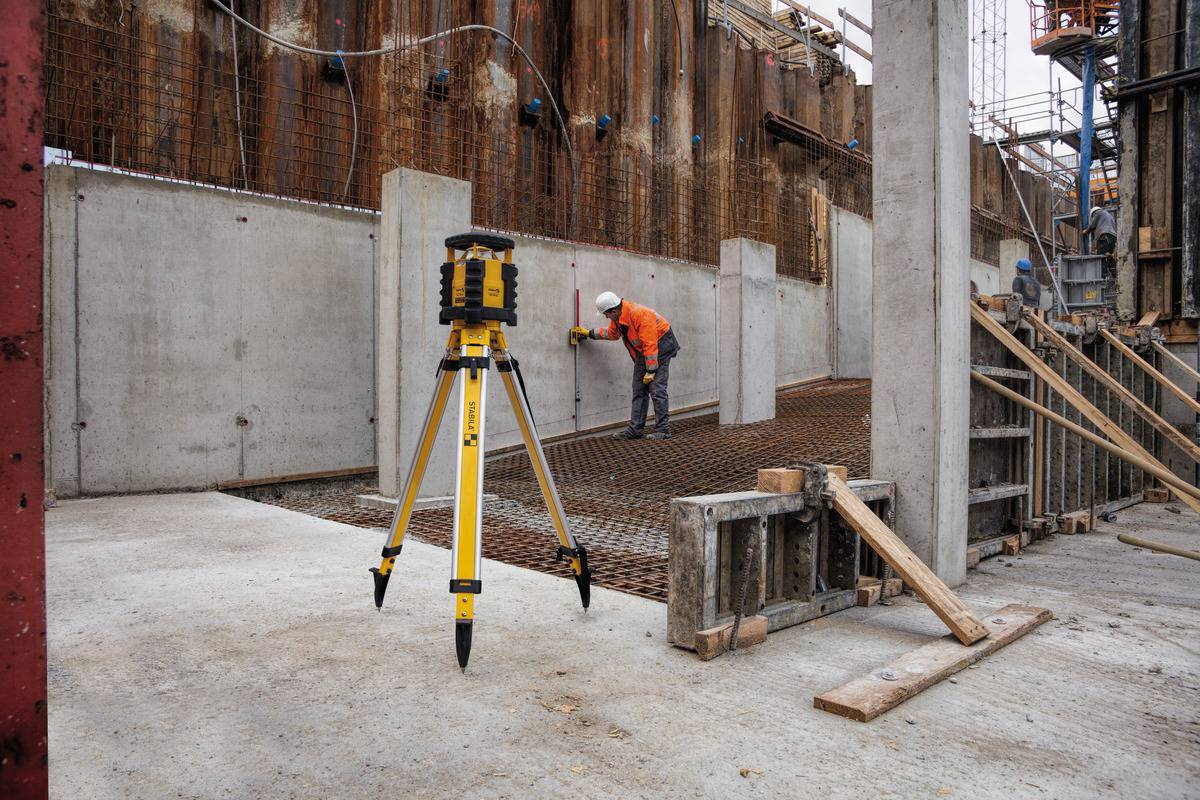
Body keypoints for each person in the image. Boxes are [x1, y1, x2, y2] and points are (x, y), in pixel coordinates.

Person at [569, 292, 681, 440]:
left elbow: (650, 344)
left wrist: (651, 370)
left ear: (613, 311)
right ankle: (635, 429)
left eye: (606, 315)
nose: (606, 317)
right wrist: (589, 333)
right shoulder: (619, 316)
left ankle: (663, 430)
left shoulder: (640, 314)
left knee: (656, 388)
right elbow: (612, 334)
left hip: (662, 344)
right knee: (639, 388)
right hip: (645, 350)